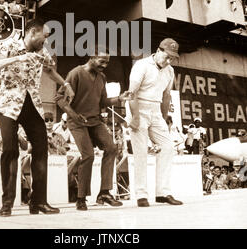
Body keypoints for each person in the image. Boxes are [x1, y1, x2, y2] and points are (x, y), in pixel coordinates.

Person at [0, 17, 75, 217]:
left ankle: (39, 202)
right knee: (10, 150)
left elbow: (50, 70)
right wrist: (17, 58)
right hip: (8, 103)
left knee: (41, 149)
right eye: (44, 36)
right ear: (33, 33)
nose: (46, 40)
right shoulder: (10, 45)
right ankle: (7, 202)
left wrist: (66, 85)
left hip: (32, 104)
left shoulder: (42, 52)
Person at [56, 48, 133, 211]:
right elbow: (59, 99)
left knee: (111, 148)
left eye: (107, 62)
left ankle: (104, 193)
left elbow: (103, 101)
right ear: (92, 57)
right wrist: (74, 115)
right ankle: (81, 198)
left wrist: (119, 98)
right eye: (102, 61)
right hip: (77, 121)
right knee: (88, 155)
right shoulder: (75, 73)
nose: (104, 65)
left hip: (94, 120)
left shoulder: (102, 77)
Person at [127, 38, 183, 207]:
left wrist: (164, 120)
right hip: (138, 106)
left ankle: (163, 193)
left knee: (168, 147)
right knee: (141, 152)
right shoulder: (141, 65)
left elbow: (166, 96)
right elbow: (132, 93)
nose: (169, 60)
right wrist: (135, 117)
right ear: (158, 50)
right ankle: (141, 195)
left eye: (172, 58)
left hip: (156, 110)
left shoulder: (170, 71)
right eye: (167, 56)